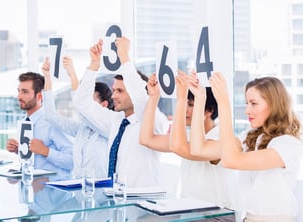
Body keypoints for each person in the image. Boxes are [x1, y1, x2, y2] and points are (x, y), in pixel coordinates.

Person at [190, 72, 302, 222]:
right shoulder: (250, 136)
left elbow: (232, 161)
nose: (247, 110)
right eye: (247, 103)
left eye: (253, 103)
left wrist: (223, 102)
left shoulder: (287, 144)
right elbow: (199, 150)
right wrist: (199, 99)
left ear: (274, 105)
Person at [73, 37, 169, 188]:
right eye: (113, 90)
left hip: (144, 205)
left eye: (120, 91)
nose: (113, 96)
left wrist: (124, 58)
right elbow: (81, 103)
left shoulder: (152, 120)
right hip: (118, 201)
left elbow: (140, 97)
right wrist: (94, 66)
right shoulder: (116, 120)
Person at [139, 71, 239, 212]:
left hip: (216, 214)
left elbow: (179, 147)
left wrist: (181, 99)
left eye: (191, 104)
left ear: (209, 110)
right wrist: (153, 98)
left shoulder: (221, 137)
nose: (185, 109)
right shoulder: (187, 136)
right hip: (191, 211)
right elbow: (146, 139)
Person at [41, 56, 114, 178]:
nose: (85, 104)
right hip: (81, 193)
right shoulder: (82, 129)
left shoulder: (110, 128)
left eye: (89, 100)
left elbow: (81, 108)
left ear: (104, 104)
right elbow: (51, 116)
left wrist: (73, 75)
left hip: (103, 194)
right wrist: (47, 78)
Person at [6, 72, 73, 176]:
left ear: (39, 96)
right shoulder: (24, 123)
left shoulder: (52, 122)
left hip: (54, 188)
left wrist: (45, 151)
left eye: (25, 92)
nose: (19, 96)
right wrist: (18, 150)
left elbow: (73, 161)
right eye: (19, 91)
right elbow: (33, 159)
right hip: (29, 184)